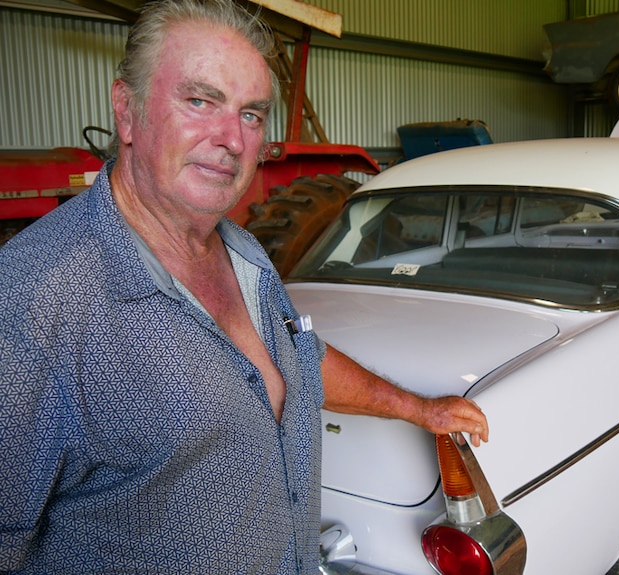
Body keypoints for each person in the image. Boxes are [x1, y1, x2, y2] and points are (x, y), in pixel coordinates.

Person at [0, 0, 488, 573]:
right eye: (200, 100)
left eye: (251, 114)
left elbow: (295, 359)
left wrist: (419, 409)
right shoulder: (34, 299)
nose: (231, 138)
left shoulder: (243, 253)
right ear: (127, 111)